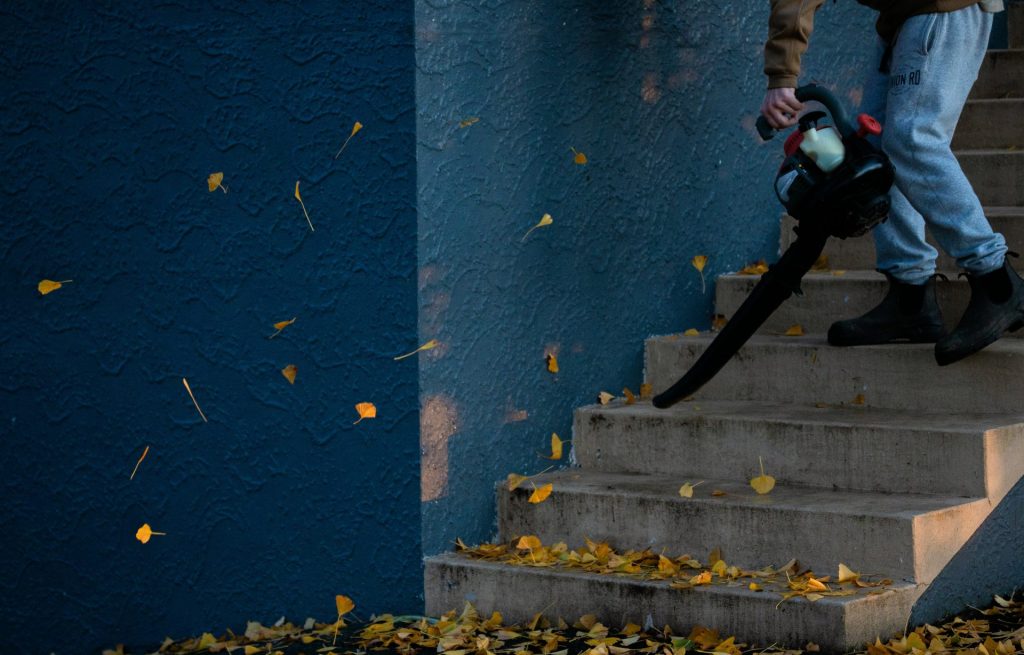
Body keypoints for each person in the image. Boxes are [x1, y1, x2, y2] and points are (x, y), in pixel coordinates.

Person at [760, 0, 1024, 365]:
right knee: (874, 150)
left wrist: (782, 76)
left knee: (912, 140)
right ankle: (911, 298)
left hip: (939, 8)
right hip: (905, 18)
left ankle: (998, 284)